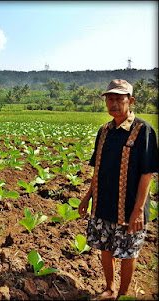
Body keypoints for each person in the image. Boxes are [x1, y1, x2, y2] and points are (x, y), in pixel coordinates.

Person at [78, 79, 158, 300]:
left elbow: (147, 173)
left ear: (130, 101)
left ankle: (122, 295)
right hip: (103, 203)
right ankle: (109, 288)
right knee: (105, 248)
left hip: (130, 207)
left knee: (128, 253)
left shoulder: (143, 131)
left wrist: (139, 209)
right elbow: (98, 170)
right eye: (110, 99)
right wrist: (87, 198)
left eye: (119, 99)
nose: (113, 104)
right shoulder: (104, 131)